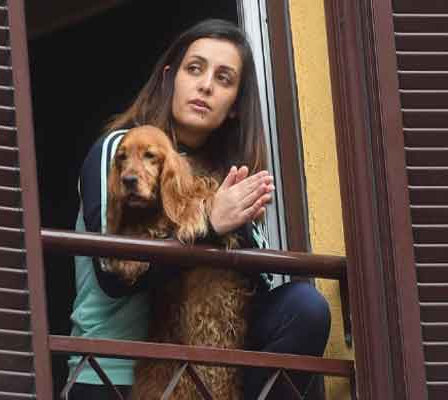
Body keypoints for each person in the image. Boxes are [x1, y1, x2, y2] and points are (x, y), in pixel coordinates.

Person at [67, 18, 331, 400]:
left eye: (224, 79)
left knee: (304, 306)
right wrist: (209, 223)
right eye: (195, 69)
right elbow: (112, 274)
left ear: (236, 105)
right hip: (114, 375)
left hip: (206, 382)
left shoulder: (226, 181)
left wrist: (234, 226)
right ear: (170, 78)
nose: (206, 85)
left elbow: (254, 299)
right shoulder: (123, 149)